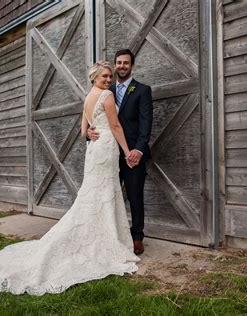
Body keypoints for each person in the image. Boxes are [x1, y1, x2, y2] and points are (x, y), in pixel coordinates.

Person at [0, 61, 140, 296]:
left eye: (110, 76)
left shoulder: (87, 98)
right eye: (104, 76)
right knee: (104, 191)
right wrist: (126, 152)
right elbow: (115, 125)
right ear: (94, 77)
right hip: (105, 148)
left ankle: (102, 234)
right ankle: (106, 239)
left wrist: (92, 132)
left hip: (95, 149)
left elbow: (83, 131)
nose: (108, 79)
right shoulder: (106, 95)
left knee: (97, 192)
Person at [88, 49, 153, 255]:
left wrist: (138, 151)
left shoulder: (142, 90)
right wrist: (89, 132)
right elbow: (94, 116)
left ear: (132, 66)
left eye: (126, 63)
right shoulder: (106, 88)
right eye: (118, 63)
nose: (121, 66)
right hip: (109, 152)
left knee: (135, 196)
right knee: (108, 195)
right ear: (115, 65)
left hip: (132, 154)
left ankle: (136, 237)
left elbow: (146, 124)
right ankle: (109, 235)